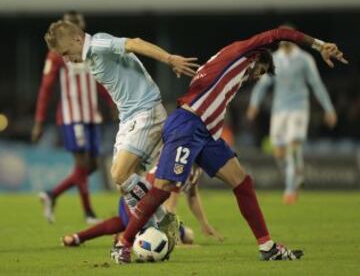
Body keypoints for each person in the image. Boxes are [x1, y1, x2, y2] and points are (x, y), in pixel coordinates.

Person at [111, 27, 347, 263]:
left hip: (206, 134)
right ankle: (123, 244)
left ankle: (268, 247)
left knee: (242, 183)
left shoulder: (232, 69)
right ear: (257, 57)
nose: (257, 76)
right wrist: (319, 44)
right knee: (162, 189)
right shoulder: (242, 52)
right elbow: (281, 32)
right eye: (261, 71)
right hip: (187, 125)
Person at [43, 21, 198, 226]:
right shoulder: (89, 56)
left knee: (119, 173)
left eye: (66, 52)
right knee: (125, 183)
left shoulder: (99, 44)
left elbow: (134, 43)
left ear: (77, 39)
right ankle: (157, 226)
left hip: (145, 111)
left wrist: (169, 59)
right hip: (129, 118)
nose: (67, 60)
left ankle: (160, 224)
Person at [33, 11, 114, 224]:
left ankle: (52, 195)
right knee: (83, 162)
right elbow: (46, 88)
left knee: (92, 166)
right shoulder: (57, 54)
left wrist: (112, 102)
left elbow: (99, 80)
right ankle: (88, 213)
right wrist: (39, 121)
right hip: (71, 116)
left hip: (92, 116)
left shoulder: (90, 49)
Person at [246, 25, 337, 205]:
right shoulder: (275, 59)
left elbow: (316, 85)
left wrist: (329, 108)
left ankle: (290, 189)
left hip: (299, 108)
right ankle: (298, 171)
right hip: (279, 110)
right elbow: (263, 84)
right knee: (279, 153)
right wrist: (254, 104)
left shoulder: (305, 59)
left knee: (293, 145)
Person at [62, 166, 223, 248]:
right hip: (137, 205)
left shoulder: (193, 167)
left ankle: (77, 237)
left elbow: (192, 194)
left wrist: (204, 223)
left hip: (150, 212)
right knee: (155, 236)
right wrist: (175, 242)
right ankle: (128, 236)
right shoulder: (178, 166)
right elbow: (168, 208)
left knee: (188, 235)